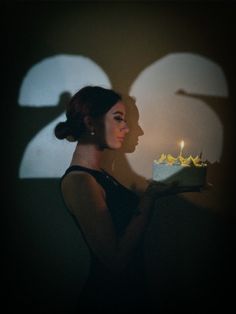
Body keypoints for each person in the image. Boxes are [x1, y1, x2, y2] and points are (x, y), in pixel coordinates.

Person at [54, 85, 180, 313]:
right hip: (108, 299)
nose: (132, 129)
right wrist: (149, 198)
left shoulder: (100, 175)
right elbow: (115, 260)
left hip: (129, 293)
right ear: (91, 123)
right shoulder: (80, 182)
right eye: (119, 118)